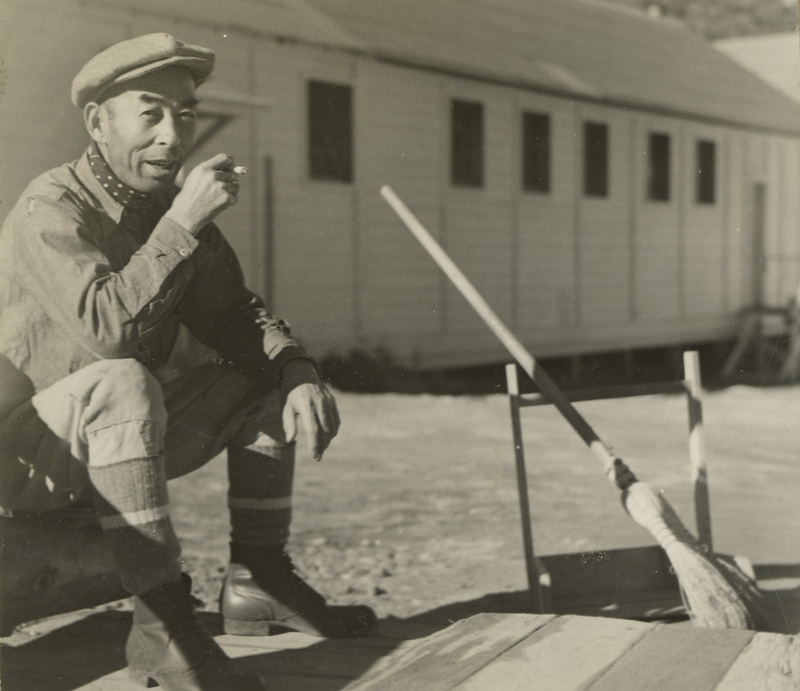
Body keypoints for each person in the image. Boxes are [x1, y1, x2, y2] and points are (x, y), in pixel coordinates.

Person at [0, 33, 376, 690]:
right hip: (24, 460)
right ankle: (161, 625)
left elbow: (234, 317)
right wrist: (182, 224)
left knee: (261, 384)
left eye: (185, 113)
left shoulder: (164, 207)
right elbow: (106, 331)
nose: (173, 135)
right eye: (150, 112)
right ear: (98, 122)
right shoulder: (50, 206)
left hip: (103, 445)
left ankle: (259, 576)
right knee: (124, 378)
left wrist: (297, 371)